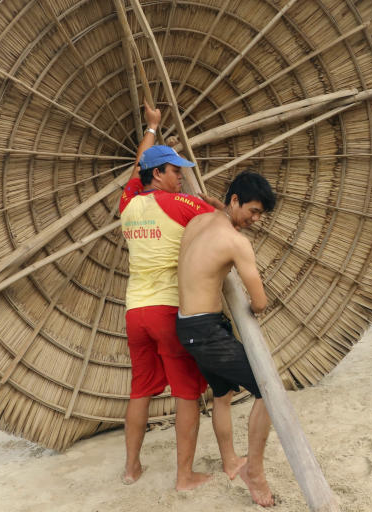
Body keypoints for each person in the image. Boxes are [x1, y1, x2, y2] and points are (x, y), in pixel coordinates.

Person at [119, 102, 222, 489]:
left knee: (140, 390)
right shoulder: (182, 205)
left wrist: (151, 128)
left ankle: (131, 469)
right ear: (158, 173)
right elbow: (218, 216)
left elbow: (136, 169)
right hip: (167, 310)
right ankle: (184, 476)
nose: (180, 178)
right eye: (175, 172)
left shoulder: (128, 205)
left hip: (135, 312)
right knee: (185, 392)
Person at [176, 171, 278, 507]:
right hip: (206, 331)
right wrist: (254, 307)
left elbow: (219, 216)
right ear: (234, 201)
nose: (255, 219)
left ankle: (231, 461)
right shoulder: (237, 243)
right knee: (268, 391)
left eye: (260, 214)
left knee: (223, 393)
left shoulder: (198, 222)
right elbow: (260, 302)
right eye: (253, 211)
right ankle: (256, 473)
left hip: (188, 326)